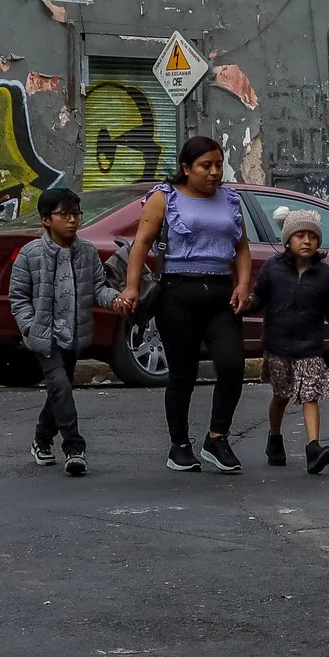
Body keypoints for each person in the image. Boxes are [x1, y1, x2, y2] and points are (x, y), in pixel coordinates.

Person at [113, 136, 253, 473]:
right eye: (206, 166)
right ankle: (179, 445)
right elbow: (140, 244)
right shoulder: (165, 198)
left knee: (232, 365)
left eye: (218, 165)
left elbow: (242, 248)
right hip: (177, 292)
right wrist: (131, 287)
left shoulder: (230, 199)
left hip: (220, 293)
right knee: (183, 373)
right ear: (186, 168)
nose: (214, 172)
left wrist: (243, 284)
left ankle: (217, 438)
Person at [7, 186, 111, 476]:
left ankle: (42, 438)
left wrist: (116, 300)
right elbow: (18, 297)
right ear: (46, 220)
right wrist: (31, 327)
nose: (73, 220)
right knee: (61, 386)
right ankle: (75, 448)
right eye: (64, 214)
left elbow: (99, 289)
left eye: (76, 214)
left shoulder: (87, 252)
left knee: (58, 389)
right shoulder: (30, 254)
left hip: (74, 335)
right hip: (44, 336)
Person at [252, 206, 329, 474]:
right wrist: (242, 304)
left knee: (310, 395)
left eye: (312, 237)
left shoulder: (326, 276)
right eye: (300, 236)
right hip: (278, 346)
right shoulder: (273, 269)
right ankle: (274, 438)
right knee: (281, 395)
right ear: (288, 240)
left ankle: (313, 448)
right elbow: (259, 298)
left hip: (310, 347)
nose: (307, 241)